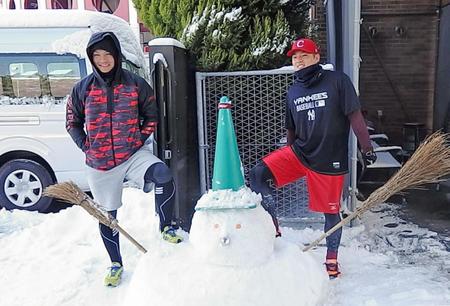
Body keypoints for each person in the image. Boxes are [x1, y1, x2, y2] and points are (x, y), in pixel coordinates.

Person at [249, 38, 376, 279]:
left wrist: (366, 147)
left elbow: (355, 115)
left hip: (329, 160)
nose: (298, 60)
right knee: (258, 174)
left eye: (304, 55)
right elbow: (291, 129)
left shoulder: (338, 81)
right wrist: (287, 153)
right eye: (295, 57)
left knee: (330, 212)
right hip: (300, 153)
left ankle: (331, 259)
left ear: (317, 57)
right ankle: (273, 228)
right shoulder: (293, 90)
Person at [66, 32, 183, 287]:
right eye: (97, 55)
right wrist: (87, 147)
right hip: (100, 163)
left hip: (132, 155)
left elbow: (151, 116)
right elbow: (72, 122)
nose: (103, 60)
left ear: (116, 55)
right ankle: (116, 263)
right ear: (91, 58)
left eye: (108, 54)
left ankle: (165, 226)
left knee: (163, 174)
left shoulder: (135, 84)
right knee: (107, 216)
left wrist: (137, 140)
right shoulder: (82, 89)